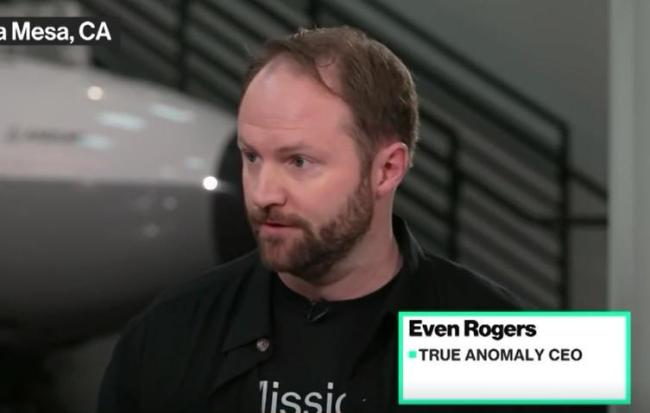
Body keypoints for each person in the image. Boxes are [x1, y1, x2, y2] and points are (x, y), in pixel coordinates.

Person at [97, 26, 598, 413]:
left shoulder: (509, 348)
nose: (264, 193)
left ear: (387, 170)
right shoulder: (167, 337)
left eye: (299, 161)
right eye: (252, 157)